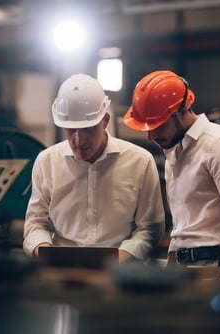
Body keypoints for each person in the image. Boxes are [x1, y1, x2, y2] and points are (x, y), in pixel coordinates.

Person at [123, 70, 220, 291]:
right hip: (182, 269)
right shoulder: (175, 151)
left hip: (217, 266)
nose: (151, 137)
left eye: (158, 125)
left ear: (181, 111)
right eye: (148, 128)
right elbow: (183, 226)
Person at [23, 73, 165, 263]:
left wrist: (118, 260)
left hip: (120, 272)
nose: (78, 140)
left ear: (105, 121)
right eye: (71, 130)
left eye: (88, 129)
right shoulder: (46, 162)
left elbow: (150, 229)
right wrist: (46, 253)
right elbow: (36, 224)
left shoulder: (140, 162)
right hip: (62, 272)